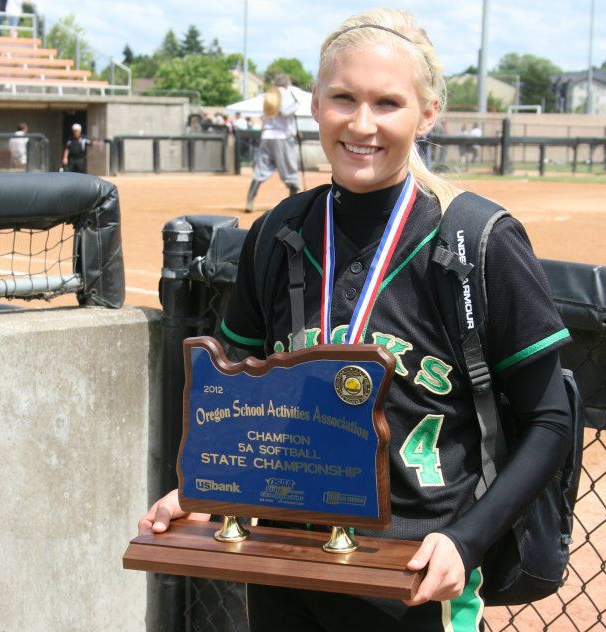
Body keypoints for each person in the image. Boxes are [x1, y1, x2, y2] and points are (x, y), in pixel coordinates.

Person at [140, 8, 572, 631]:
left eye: (387, 103)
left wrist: (467, 541)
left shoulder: (478, 239)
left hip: (416, 565)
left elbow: (550, 418)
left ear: (427, 114)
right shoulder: (278, 233)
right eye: (343, 98)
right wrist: (202, 492)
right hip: (288, 557)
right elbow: (236, 391)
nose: (361, 124)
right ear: (314, 104)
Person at [244, 74, 301, 212]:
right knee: (290, 170)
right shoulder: (286, 94)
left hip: (267, 136)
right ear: (287, 83)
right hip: (282, 137)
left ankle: (250, 201)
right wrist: (296, 104)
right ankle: (293, 205)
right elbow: (285, 111)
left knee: (261, 169)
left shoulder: (270, 94)